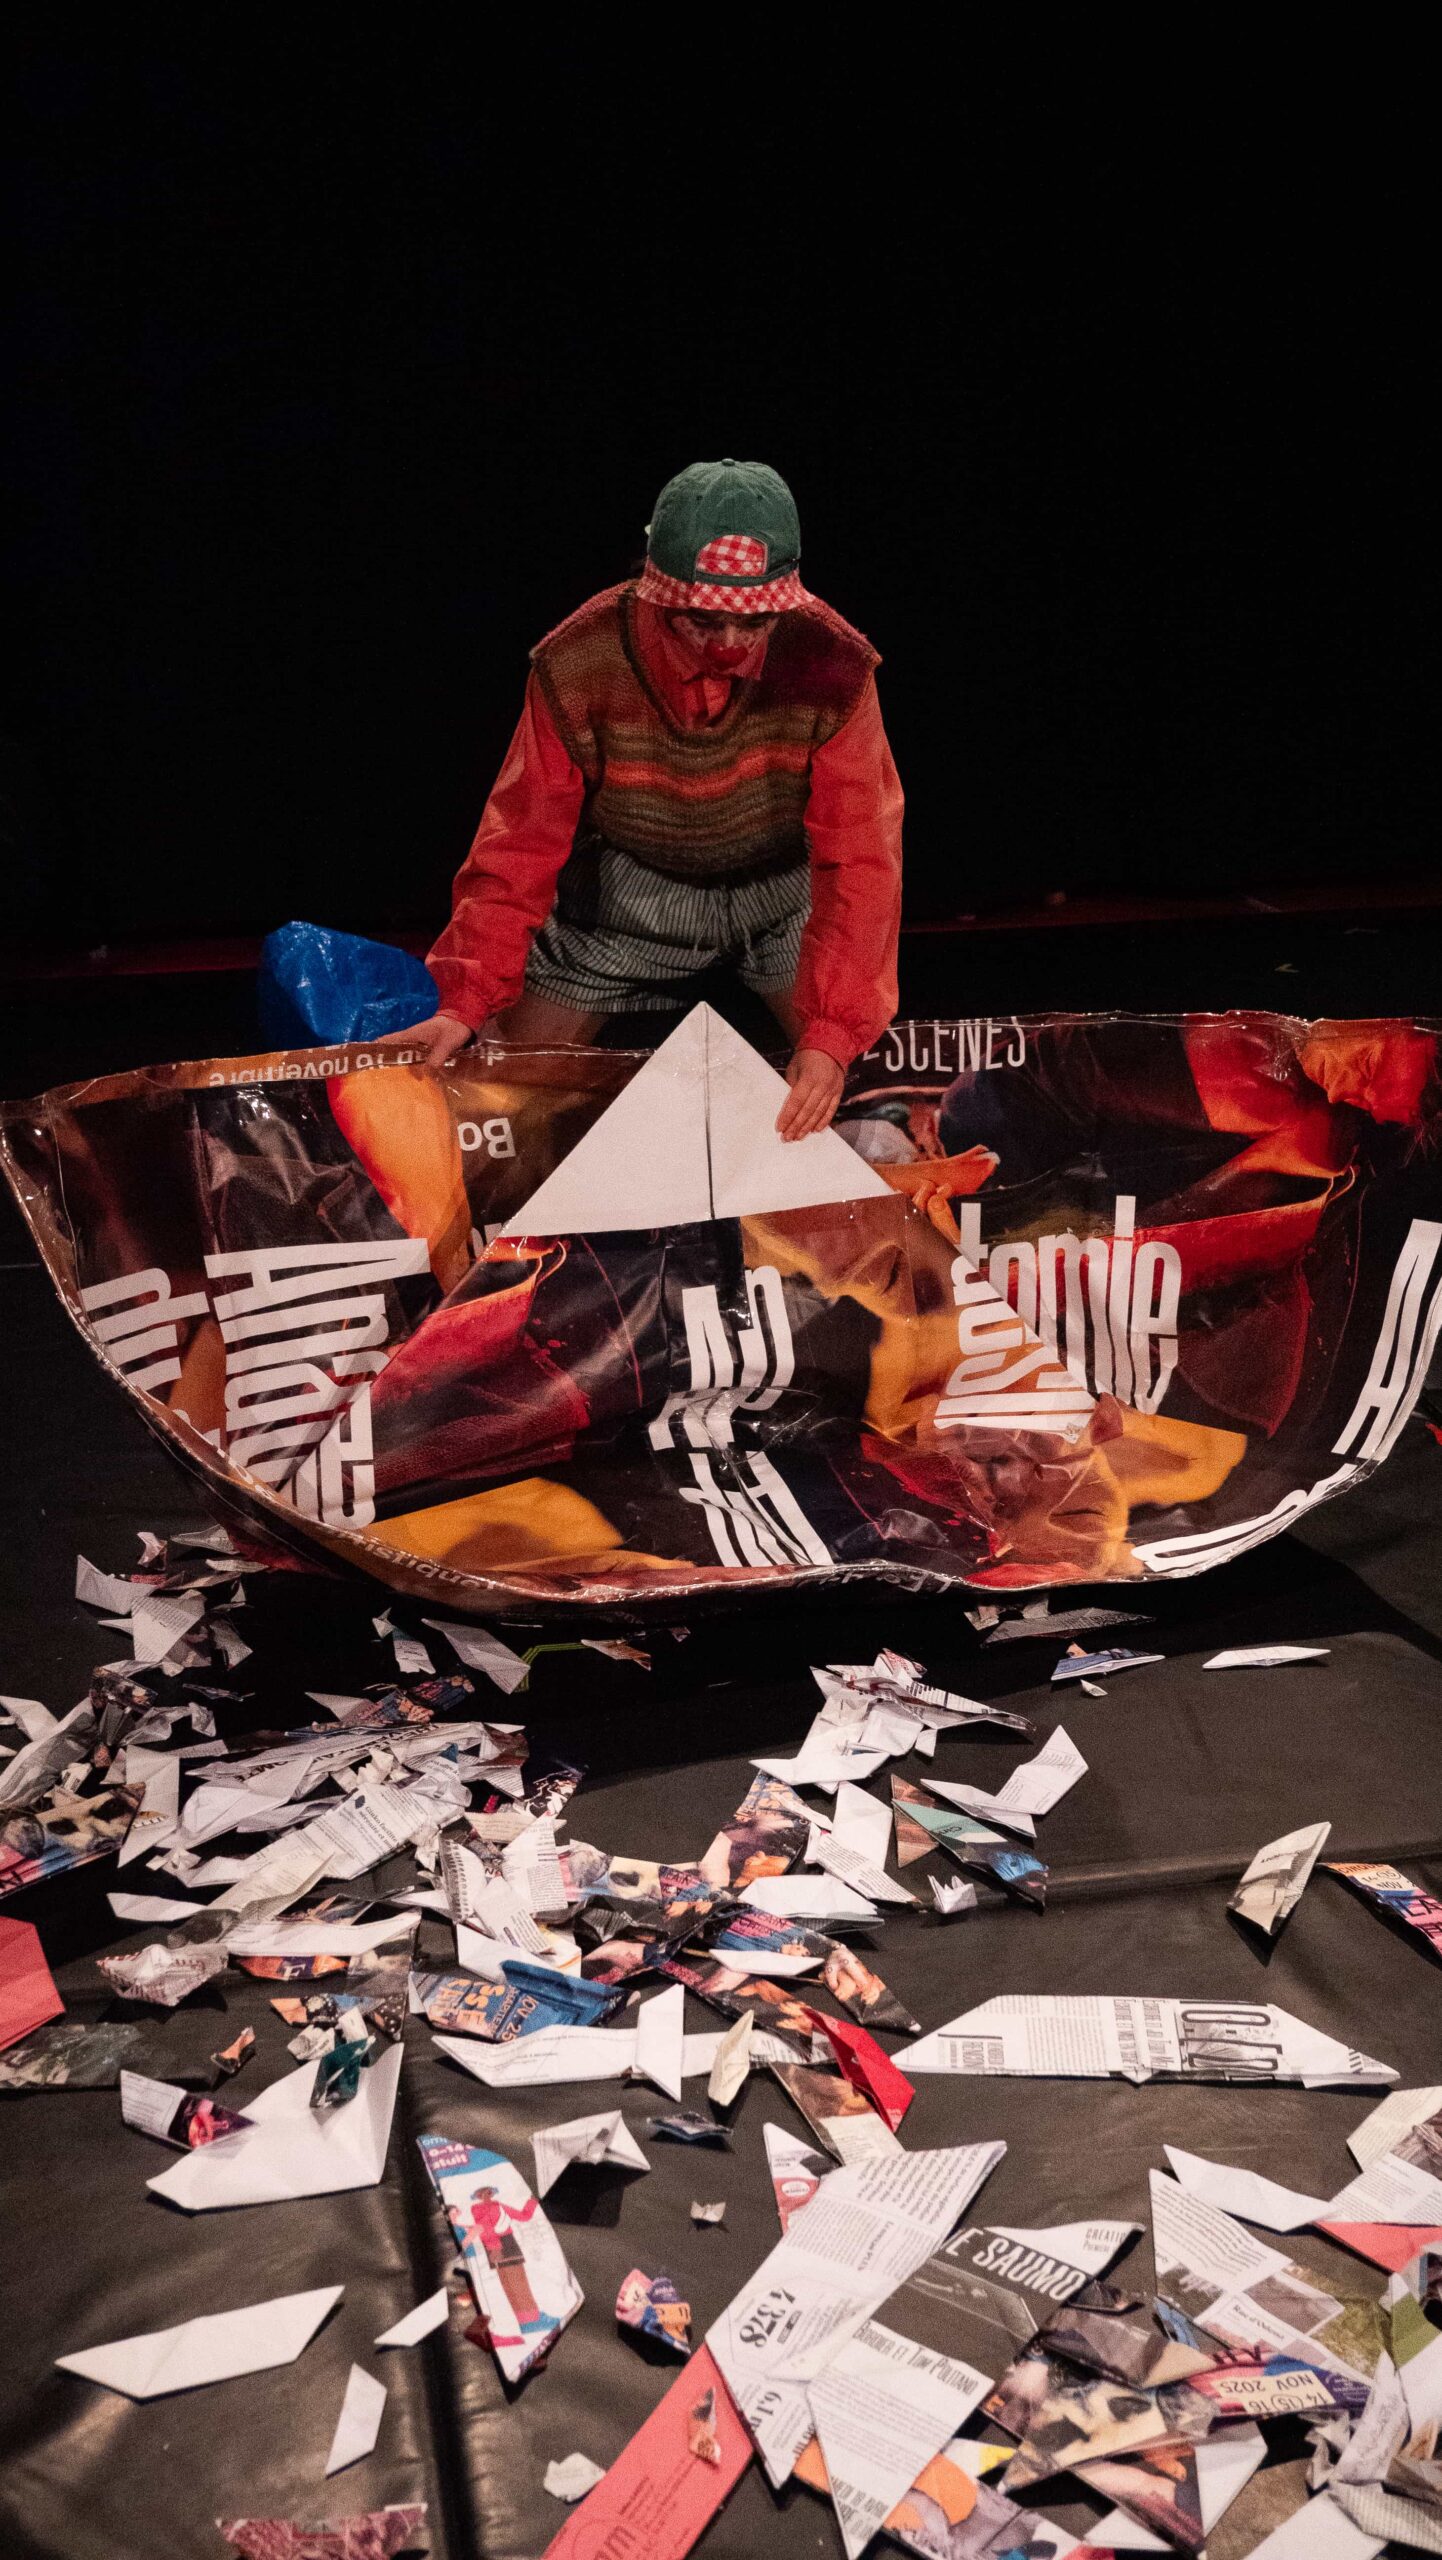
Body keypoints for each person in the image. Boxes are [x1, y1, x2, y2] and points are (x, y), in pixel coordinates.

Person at [401, 458, 904, 1138]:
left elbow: (862, 853)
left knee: (858, 1085)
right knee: (502, 1096)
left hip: (783, 897)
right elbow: (520, 838)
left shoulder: (835, 663)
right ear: (657, 593)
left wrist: (833, 1035)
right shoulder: (578, 659)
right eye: (703, 619)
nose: (729, 644)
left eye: (755, 621)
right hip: (629, 895)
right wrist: (462, 999)